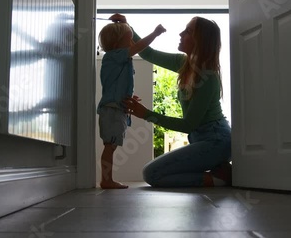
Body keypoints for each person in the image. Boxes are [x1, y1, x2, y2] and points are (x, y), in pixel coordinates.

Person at [111, 13, 232, 187]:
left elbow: (188, 125)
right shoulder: (183, 63)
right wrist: (127, 27)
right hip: (202, 139)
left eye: (188, 31)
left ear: (200, 41)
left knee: (151, 174)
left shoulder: (209, 78)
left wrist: (146, 114)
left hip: (217, 141)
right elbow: (148, 54)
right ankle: (218, 171)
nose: (181, 34)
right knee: (153, 173)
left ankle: (220, 178)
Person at [97, 21, 166, 189]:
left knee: (111, 146)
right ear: (117, 43)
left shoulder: (116, 59)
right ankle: (106, 180)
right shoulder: (115, 55)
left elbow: (117, 82)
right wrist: (154, 33)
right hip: (112, 110)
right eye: (129, 39)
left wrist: (126, 95)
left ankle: (107, 179)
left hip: (115, 107)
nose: (132, 43)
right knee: (110, 146)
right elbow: (139, 47)